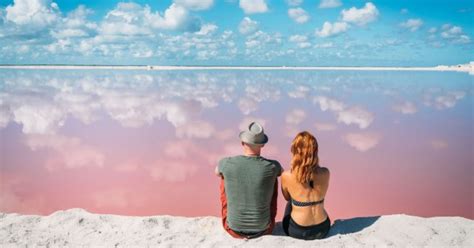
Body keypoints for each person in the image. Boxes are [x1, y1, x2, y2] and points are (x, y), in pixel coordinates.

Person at [215, 122, 282, 239]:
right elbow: (282, 171)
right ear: (262, 145)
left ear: (242, 142)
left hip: (232, 228)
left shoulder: (227, 162)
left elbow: (216, 171)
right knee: (273, 177)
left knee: (224, 175)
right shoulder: (272, 165)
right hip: (264, 229)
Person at [281, 131, 331, 240]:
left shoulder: (287, 175)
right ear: (315, 151)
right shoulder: (326, 172)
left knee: (290, 202)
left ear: (295, 151)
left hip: (299, 231)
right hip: (323, 228)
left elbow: (287, 197)